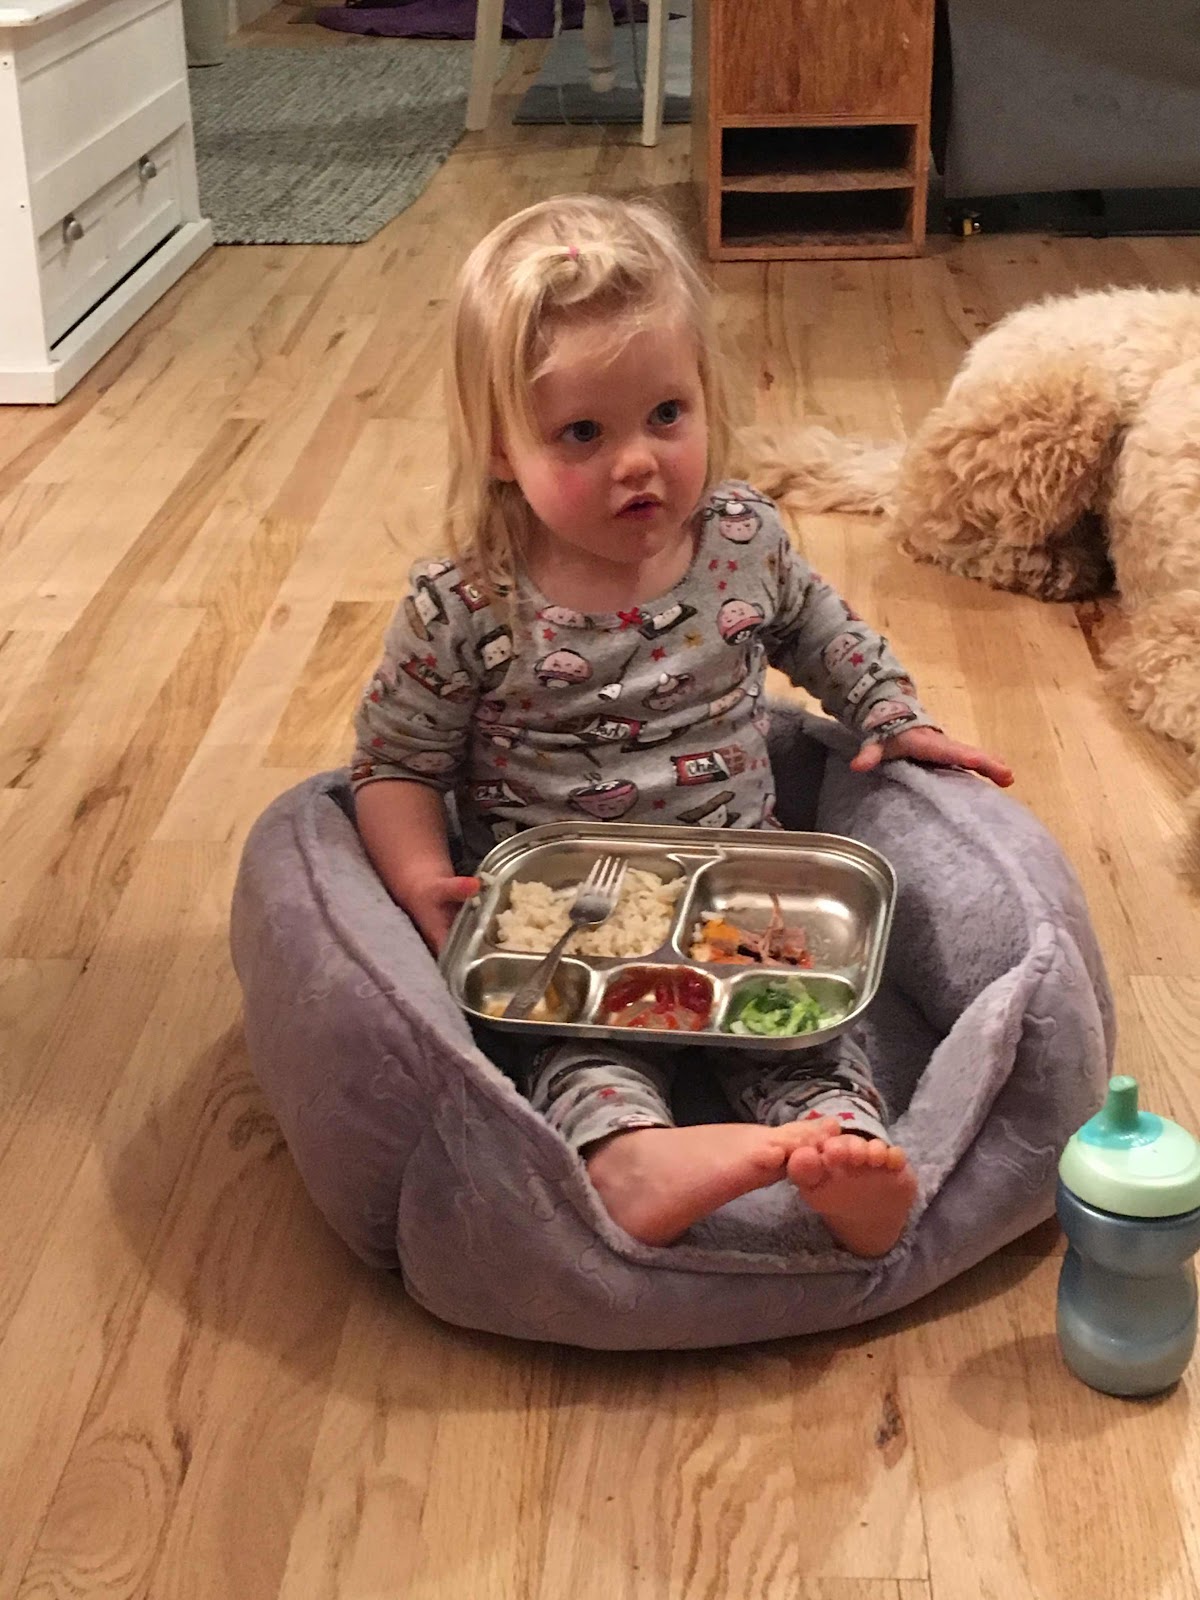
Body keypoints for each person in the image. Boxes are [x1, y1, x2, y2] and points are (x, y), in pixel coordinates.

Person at [351, 195, 1014, 1257]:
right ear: (499, 448)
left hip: (747, 897)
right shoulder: (465, 604)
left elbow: (820, 629)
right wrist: (422, 874)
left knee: (808, 1036)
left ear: (707, 395)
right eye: (583, 432)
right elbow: (392, 763)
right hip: (569, 924)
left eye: (667, 414)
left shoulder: (743, 536)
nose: (639, 461)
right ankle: (632, 1158)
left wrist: (891, 711)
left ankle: (839, 1150)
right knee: (574, 1057)